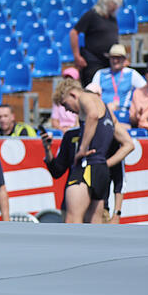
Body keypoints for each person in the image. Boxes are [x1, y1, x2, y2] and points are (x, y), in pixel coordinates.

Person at [41, 90, 134, 223]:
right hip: (95, 175)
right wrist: (47, 149)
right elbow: (57, 171)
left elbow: (119, 177)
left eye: (65, 104)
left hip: (89, 172)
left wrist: (117, 213)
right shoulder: (72, 135)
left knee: (74, 223)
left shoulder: (88, 104)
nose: (67, 110)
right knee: (89, 230)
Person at [51, 78, 120, 224]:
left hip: (86, 167)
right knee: (94, 225)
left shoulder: (84, 96)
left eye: (65, 104)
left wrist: (82, 149)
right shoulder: (107, 110)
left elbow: (93, 115)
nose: (66, 110)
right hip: (100, 169)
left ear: (72, 94)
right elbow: (129, 144)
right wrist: (106, 163)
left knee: (72, 221)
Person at [71, 0, 122, 87]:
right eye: (114, 3)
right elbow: (73, 33)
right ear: (106, 2)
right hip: (93, 61)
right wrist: (77, 56)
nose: (116, 7)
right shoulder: (92, 15)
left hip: (108, 61)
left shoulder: (112, 19)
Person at [89, 44, 145, 115]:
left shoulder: (131, 73)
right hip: (103, 112)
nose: (115, 61)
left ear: (124, 59)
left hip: (124, 112)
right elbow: (91, 94)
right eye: (113, 57)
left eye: (118, 58)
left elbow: (146, 90)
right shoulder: (100, 73)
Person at [50, 67, 81, 132]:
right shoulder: (58, 100)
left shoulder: (80, 101)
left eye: (71, 78)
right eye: (66, 78)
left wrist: (71, 129)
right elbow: (54, 121)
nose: (68, 81)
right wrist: (62, 129)